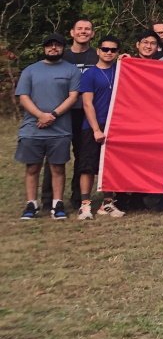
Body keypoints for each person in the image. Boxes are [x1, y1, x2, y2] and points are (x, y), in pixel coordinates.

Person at [16, 34, 80, 221]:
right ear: (44, 48)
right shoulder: (30, 70)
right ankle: (31, 204)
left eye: (57, 46)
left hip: (60, 129)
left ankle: (57, 204)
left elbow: (73, 97)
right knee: (32, 168)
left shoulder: (71, 70)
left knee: (58, 168)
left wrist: (52, 115)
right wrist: (40, 115)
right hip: (32, 128)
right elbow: (23, 97)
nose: (53, 48)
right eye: (50, 46)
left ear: (62, 48)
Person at [77, 36, 120, 220]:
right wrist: (96, 129)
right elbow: (87, 103)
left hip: (115, 124)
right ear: (98, 51)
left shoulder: (121, 70)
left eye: (113, 50)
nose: (109, 52)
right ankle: (85, 205)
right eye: (105, 49)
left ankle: (107, 203)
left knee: (110, 165)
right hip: (93, 125)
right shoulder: (90, 74)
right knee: (87, 165)